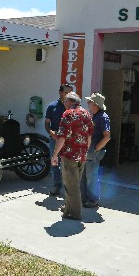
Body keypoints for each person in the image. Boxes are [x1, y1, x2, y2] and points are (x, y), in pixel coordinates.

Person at [50, 91, 94, 221]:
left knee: (71, 186)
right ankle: (68, 208)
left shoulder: (68, 114)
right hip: (81, 155)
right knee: (75, 184)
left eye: (65, 101)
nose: (64, 104)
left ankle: (74, 213)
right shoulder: (86, 114)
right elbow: (89, 136)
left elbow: (62, 137)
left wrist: (55, 155)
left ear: (70, 101)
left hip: (70, 155)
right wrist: (85, 151)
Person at [80, 93, 111, 209]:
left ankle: (92, 200)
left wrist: (96, 149)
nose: (88, 104)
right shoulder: (95, 116)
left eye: (90, 102)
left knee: (91, 177)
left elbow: (107, 136)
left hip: (93, 152)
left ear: (96, 105)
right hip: (88, 151)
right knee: (84, 176)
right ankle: (84, 198)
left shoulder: (103, 117)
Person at [44, 83, 73, 196]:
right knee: (55, 163)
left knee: (68, 164)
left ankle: (69, 189)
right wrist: (51, 132)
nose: (68, 95)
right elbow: (47, 123)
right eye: (66, 92)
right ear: (60, 93)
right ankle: (56, 186)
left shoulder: (73, 107)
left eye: (70, 92)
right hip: (55, 139)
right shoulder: (52, 106)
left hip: (69, 140)